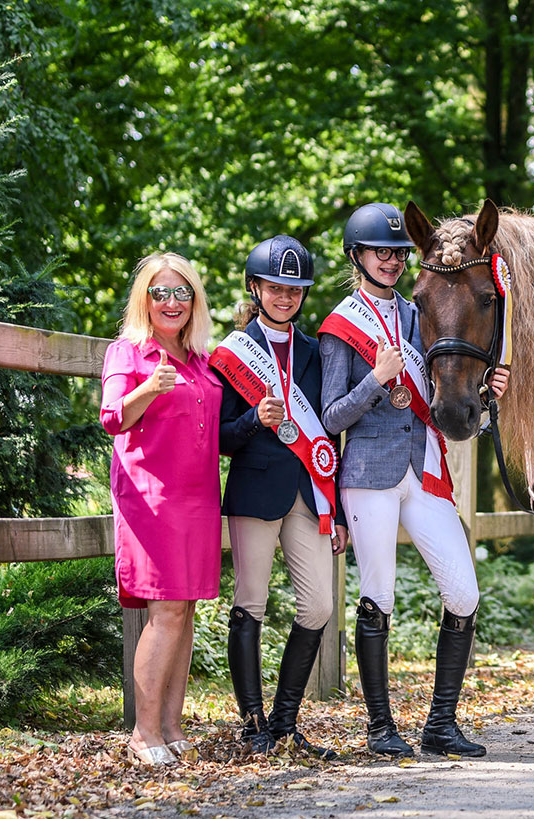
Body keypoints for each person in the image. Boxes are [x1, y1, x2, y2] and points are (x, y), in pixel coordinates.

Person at [319, 202, 506, 758]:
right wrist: (376, 380)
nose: (392, 261)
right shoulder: (338, 326)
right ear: (358, 257)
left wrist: (485, 398)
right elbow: (330, 417)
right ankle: (380, 728)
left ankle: (440, 724)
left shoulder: (421, 306)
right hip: (370, 471)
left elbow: (446, 372)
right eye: (381, 252)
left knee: (464, 591)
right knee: (379, 593)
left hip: (424, 466)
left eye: (399, 252)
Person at [212, 235, 346, 759]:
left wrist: (336, 510)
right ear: (256, 288)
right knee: (251, 602)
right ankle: (253, 724)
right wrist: (252, 420)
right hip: (255, 489)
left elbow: (329, 432)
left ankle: (286, 722)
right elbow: (220, 437)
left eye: (294, 289)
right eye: (275, 287)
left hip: (310, 493)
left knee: (317, 606)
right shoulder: (233, 353)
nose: (285, 297)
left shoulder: (317, 351)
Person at [100, 253, 223, 766]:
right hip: (153, 498)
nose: (172, 302)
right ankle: (143, 732)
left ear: (195, 301)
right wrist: (148, 389)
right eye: (160, 293)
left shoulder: (200, 359)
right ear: (144, 300)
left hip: (199, 497)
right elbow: (111, 418)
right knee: (166, 610)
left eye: (182, 293)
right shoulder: (127, 352)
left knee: (185, 610)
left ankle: (171, 725)